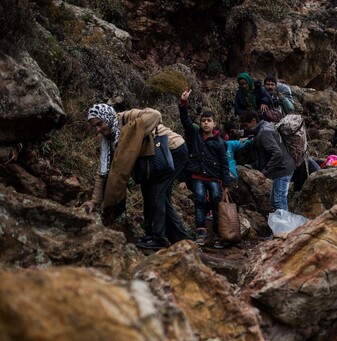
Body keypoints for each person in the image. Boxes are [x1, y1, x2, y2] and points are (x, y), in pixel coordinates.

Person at [83, 104, 191, 249]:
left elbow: (155, 114)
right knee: (157, 195)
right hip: (154, 160)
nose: (98, 129)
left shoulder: (127, 117)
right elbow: (103, 172)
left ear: (106, 117)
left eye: (99, 123)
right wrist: (94, 202)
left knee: (155, 191)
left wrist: (131, 132)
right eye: (95, 127)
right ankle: (181, 240)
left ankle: (156, 238)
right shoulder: (108, 141)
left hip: (173, 150)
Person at [179, 89, 230, 248]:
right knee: (199, 201)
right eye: (203, 121)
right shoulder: (195, 134)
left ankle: (217, 235)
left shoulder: (219, 142)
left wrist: (226, 185)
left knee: (216, 202)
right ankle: (200, 233)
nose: (206, 123)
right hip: (198, 176)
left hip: (214, 177)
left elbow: (224, 163)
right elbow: (185, 121)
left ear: (214, 123)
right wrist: (183, 103)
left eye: (209, 120)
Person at [240, 110, 296, 211]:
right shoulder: (264, 126)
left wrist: (264, 173)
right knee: (274, 201)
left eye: (245, 125)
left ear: (253, 121)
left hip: (283, 169)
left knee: (279, 201)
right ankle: (280, 224)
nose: (245, 128)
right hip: (282, 167)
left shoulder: (264, 132)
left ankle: (287, 226)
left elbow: (277, 153)